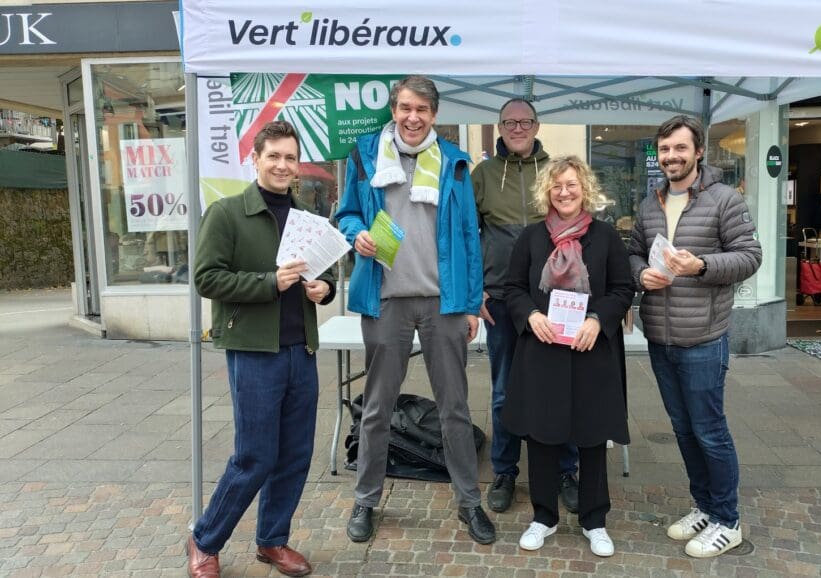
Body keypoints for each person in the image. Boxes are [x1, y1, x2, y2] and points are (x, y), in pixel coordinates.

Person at [336, 75, 495, 545]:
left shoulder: (453, 162)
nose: (412, 117)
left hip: (443, 303)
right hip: (385, 300)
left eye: (422, 110)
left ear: (434, 115)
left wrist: (470, 303)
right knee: (377, 408)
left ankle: (470, 502)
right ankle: (366, 500)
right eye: (405, 107)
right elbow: (345, 213)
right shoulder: (366, 154)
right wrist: (354, 234)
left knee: (455, 409)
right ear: (394, 108)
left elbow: (469, 235)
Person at [188, 120, 337, 578]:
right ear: (255, 160)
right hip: (255, 352)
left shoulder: (306, 218)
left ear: (297, 167)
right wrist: (267, 282)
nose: (282, 165)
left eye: (290, 158)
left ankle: (272, 540)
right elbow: (206, 278)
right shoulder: (228, 213)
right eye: (273, 156)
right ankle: (205, 540)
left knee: (294, 454)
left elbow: (323, 278)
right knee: (254, 456)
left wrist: (324, 291)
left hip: (301, 351)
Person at [628, 115, 761, 558]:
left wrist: (701, 266)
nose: (672, 157)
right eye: (665, 150)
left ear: (698, 151)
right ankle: (704, 506)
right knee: (683, 429)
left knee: (709, 431)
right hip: (660, 337)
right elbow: (632, 254)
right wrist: (640, 274)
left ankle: (728, 519)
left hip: (704, 336)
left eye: (680, 149)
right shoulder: (650, 204)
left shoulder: (724, 200)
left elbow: (749, 256)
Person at [501, 155, 633, 557]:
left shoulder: (606, 237)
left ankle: (594, 521)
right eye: (557, 186)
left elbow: (624, 289)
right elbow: (512, 288)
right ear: (548, 192)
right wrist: (531, 315)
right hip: (543, 352)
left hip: (590, 352)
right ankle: (544, 517)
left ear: (585, 188)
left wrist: (598, 320)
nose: (564, 192)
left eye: (572, 184)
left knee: (592, 437)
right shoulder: (531, 237)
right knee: (542, 436)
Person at [471, 98, 579, 515]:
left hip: (554, 299)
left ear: (536, 126)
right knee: (504, 391)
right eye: (509, 122)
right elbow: (469, 234)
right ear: (499, 127)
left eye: (525, 121)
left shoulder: (555, 173)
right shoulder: (483, 175)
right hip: (499, 299)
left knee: (560, 387)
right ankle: (504, 471)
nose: (517, 128)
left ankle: (566, 470)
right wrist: (474, 290)